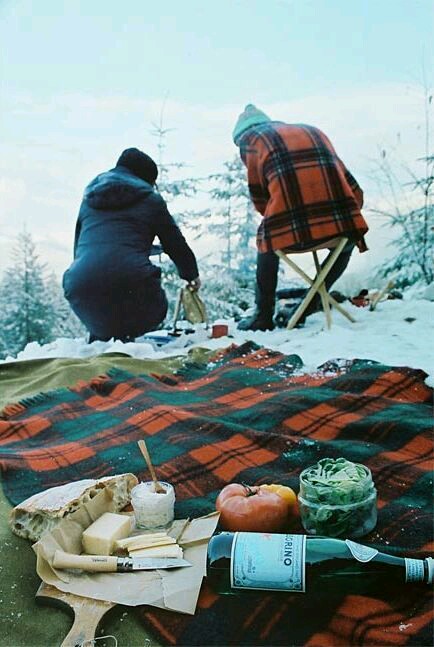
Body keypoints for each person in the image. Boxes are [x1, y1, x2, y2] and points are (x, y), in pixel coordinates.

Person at [232, 105, 368, 331]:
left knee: (266, 243)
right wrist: (345, 217)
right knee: (347, 242)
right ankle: (307, 306)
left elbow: (260, 197)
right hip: (341, 227)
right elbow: (350, 183)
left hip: (293, 232)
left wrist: (280, 218)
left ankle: (263, 316)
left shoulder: (251, 140)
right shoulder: (312, 130)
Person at [63, 148, 200, 342]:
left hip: (80, 286)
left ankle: (105, 335)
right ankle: (127, 338)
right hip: (133, 284)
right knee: (155, 306)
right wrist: (191, 275)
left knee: (107, 295)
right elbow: (175, 244)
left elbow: (83, 248)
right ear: (146, 179)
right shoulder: (150, 200)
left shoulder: (90, 199)